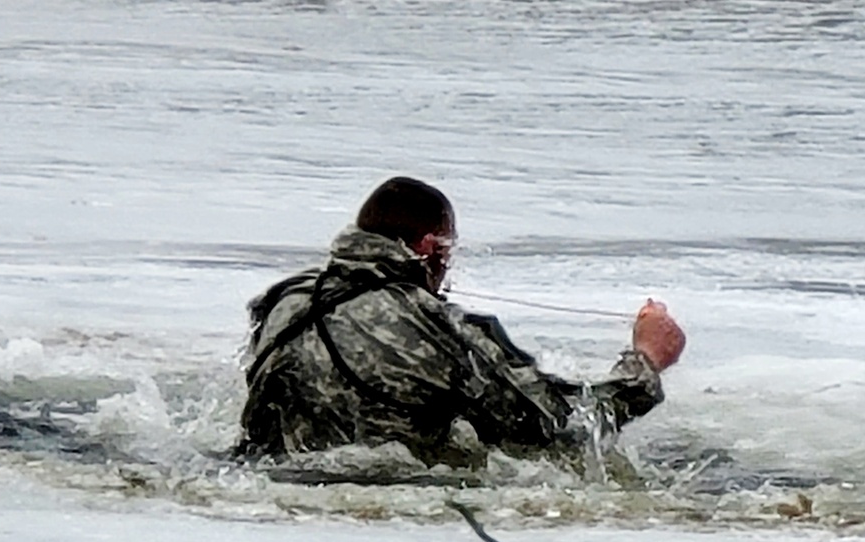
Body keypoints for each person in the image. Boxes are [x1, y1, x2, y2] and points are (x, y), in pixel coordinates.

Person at [236, 176, 686, 473]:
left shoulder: (285, 300)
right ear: (431, 247)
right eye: (447, 255)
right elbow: (556, 425)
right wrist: (645, 362)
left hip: (267, 470)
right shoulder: (436, 326)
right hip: (386, 487)